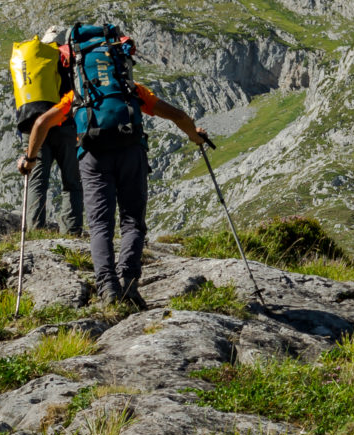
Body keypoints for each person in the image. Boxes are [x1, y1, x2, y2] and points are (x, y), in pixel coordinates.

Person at [17, 46, 211, 308]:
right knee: (132, 221)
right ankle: (129, 284)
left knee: (100, 225)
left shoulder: (78, 96)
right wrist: (195, 136)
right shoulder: (131, 90)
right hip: (131, 153)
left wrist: (29, 160)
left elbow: (41, 124)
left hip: (93, 157)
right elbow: (177, 115)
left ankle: (108, 288)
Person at [15, 26, 83, 236]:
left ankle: (35, 230)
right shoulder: (66, 57)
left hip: (38, 126)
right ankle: (70, 231)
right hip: (65, 124)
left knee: (37, 179)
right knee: (71, 182)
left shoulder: (33, 63)